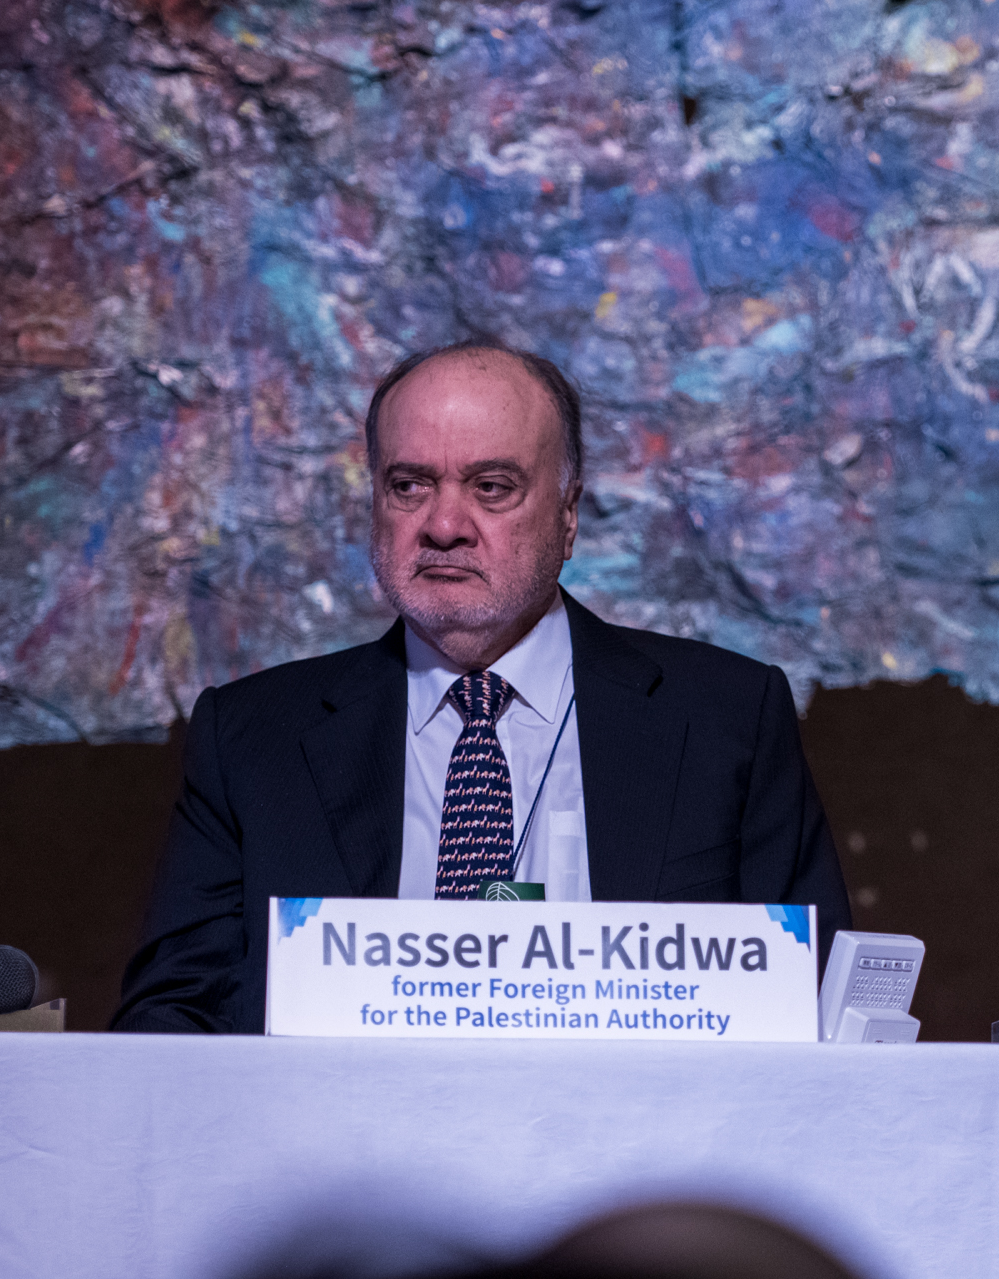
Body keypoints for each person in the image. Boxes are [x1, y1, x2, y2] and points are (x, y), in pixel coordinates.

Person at [114, 342, 849, 1033]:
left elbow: (814, 1007)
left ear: (568, 515)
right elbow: (172, 1019)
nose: (443, 525)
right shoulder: (251, 740)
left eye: (492, 487)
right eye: (409, 486)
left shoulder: (727, 720)